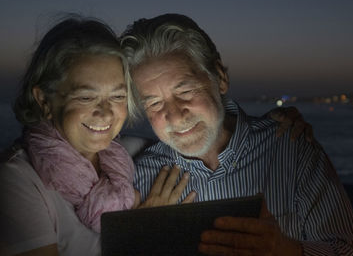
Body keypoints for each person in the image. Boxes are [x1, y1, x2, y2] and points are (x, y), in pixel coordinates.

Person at [0, 16, 309, 256]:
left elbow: (195, 138)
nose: (106, 113)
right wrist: (140, 232)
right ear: (44, 101)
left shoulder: (126, 155)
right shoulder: (18, 180)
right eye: (85, 97)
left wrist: (267, 125)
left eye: (119, 96)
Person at [122, 13, 353, 255]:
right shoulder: (138, 179)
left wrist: (288, 251)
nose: (175, 116)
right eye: (154, 103)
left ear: (220, 78)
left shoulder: (291, 147)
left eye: (185, 91)